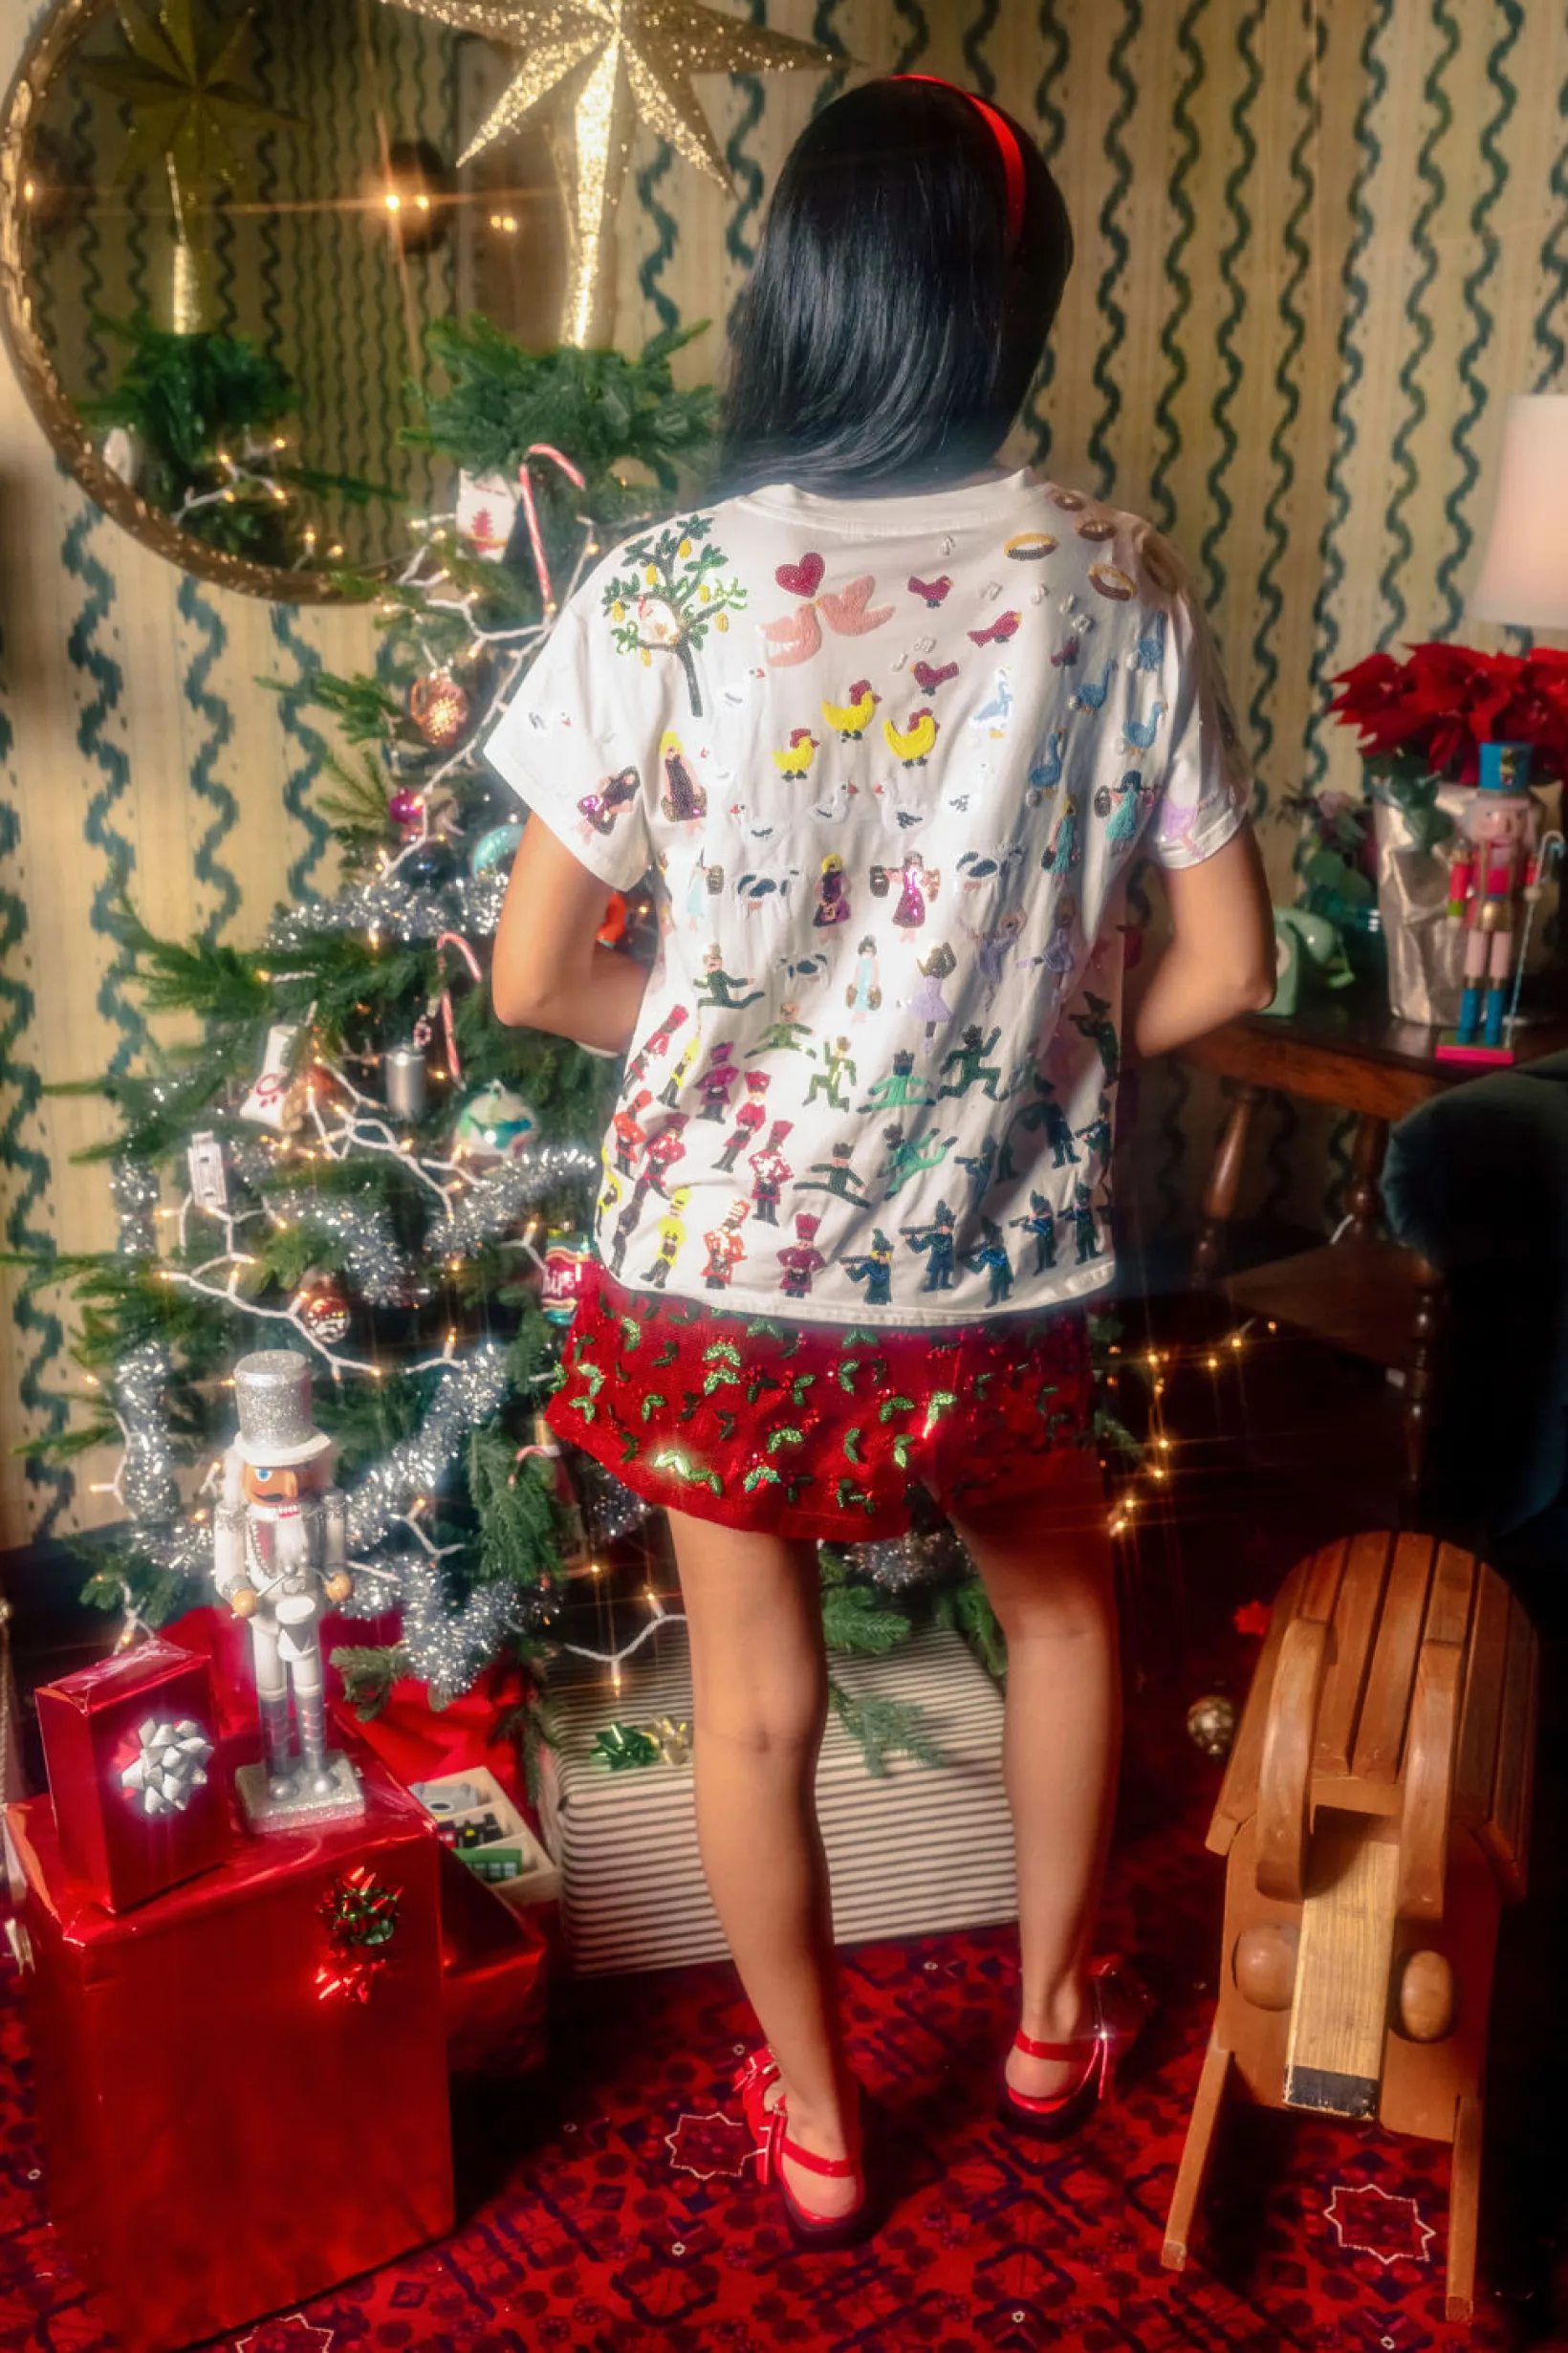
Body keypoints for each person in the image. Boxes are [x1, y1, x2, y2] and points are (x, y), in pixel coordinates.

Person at [488, 75, 1274, 2252]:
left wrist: (744, 1048)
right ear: (1017, 301)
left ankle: (823, 2128)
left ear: (799, 288)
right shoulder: (1114, 581)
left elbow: (537, 972)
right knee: (1060, 1618)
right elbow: (1228, 966)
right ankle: (1048, 2030)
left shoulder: (660, 590)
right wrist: (1016, 1048)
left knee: (754, 1708)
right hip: (991, 1268)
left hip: (715, 1270)